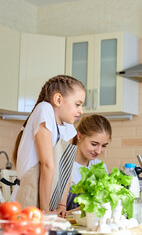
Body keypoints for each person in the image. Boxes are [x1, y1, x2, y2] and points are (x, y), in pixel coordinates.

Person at [11, 75, 86, 217]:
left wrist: (62, 205)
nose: (81, 111)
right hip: (29, 200)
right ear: (58, 100)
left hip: (50, 201)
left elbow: (66, 169)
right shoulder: (44, 109)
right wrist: (44, 210)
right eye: (77, 104)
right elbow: (47, 164)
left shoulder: (67, 126)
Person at [66, 114, 111, 211]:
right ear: (79, 137)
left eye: (104, 146)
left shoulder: (100, 166)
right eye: (94, 144)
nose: (98, 151)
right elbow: (57, 213)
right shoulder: (64, 165)